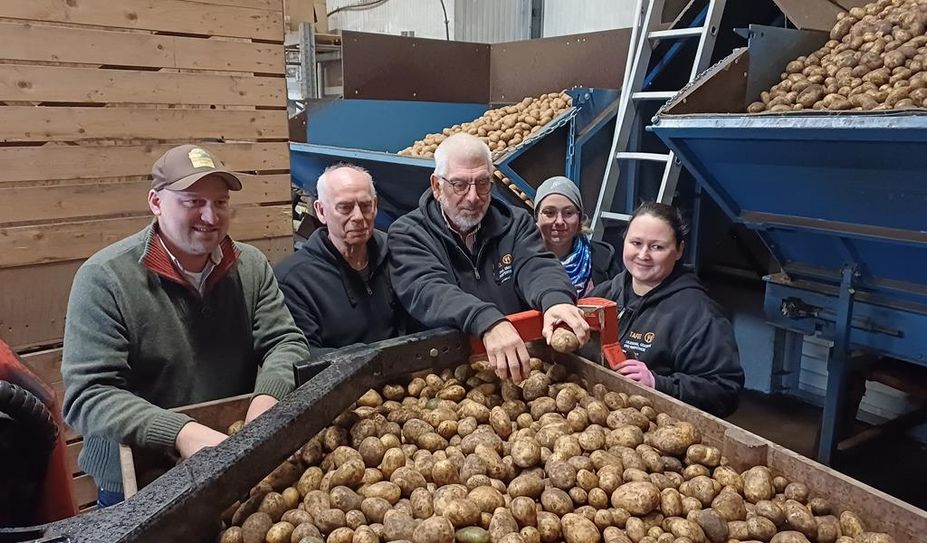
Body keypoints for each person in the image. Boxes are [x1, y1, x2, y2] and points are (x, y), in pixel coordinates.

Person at [61, 145, 311, 506]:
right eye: (193, 201)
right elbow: (89, 394)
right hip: (141, 477)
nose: (211, 217)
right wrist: (181, 433)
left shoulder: (250, 266)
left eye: (221, 202)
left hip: (230, 455)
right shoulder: (105, 279)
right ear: (156, 202)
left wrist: (268, 397)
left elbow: (285, 342)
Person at [388, 133, 591, 383]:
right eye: (460, 185)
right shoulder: (408, 233)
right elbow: (428, 289)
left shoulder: (516, 224)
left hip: (517, 367)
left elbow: (537, 265)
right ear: (437, 186)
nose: (473, 197)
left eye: (482, 183)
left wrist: (556, 299)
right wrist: (487, 321)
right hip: (442, 373)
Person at [588, 202, 744, 417]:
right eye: (636, 243)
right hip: (597, 417)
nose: (643, 255)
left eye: (657, 247)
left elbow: (725, 390)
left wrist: (657, 383)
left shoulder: (699, 315)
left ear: (679, 250)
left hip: (654, 431)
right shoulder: (602, 295)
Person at [274, 163, 403, 352]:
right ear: (321, 211)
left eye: (366, 205)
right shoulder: (293, 280)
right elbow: (305, 355)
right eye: (345, 207)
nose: (358, 216)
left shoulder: (397, 253)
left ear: (375, 206)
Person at [534, 175, 622, 295]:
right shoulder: (523, 260)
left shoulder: (603, 258)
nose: (559, 221)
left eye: (568, 213)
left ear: (579, 216)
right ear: (536, 217)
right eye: (549, 213)